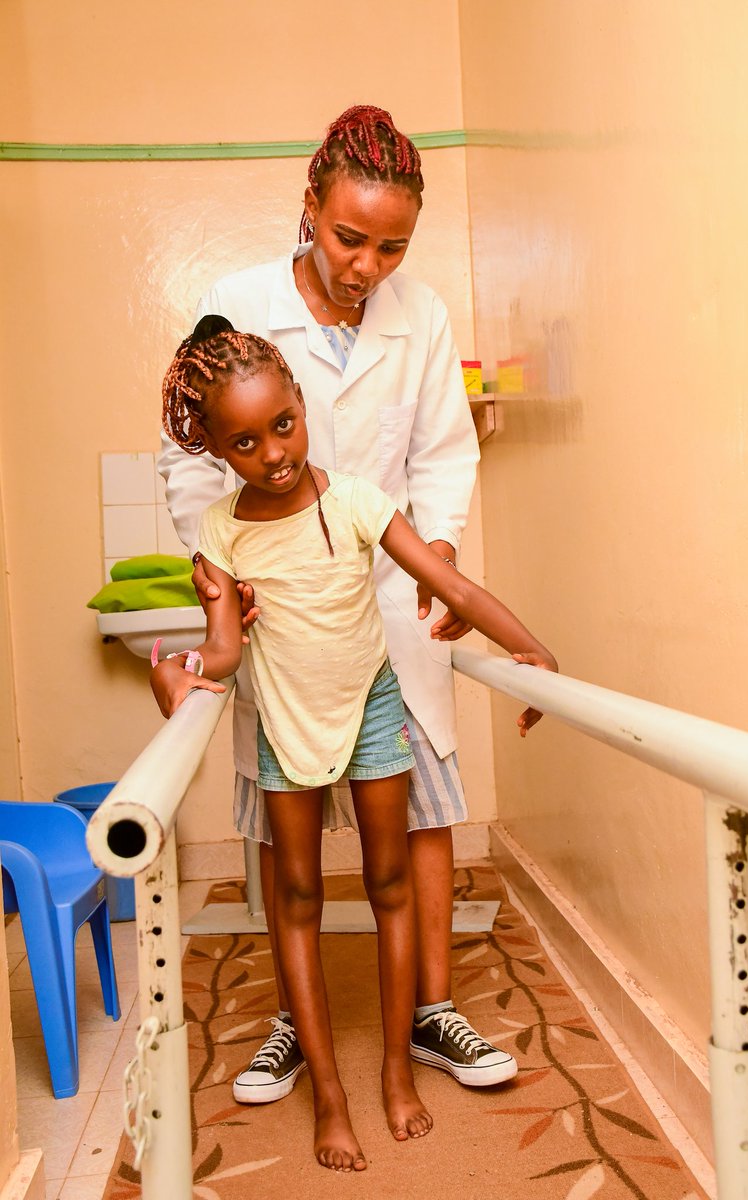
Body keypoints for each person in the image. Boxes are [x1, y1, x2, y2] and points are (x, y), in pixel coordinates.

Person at [157, 103, 517, 1106]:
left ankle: (431, 1010)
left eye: (391, 246)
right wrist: (216, 570)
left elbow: (444, 451)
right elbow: (189, 460)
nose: (366, 266)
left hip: (392, 599)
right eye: (348, 237)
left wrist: (435, 551)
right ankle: (290, 1019)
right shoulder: (235, 303)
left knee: (424, 814)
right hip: (280, 612)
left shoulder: (423, 315)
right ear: (308, 205)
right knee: (285, 828)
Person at [152, 318, 558, 1171]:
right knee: (295, 895)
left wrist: (531, 648)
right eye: (246, 442)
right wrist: (177, 675)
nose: (273, 453)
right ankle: (329, 1094)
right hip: (283, 719)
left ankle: (394, 1075)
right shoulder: (219, 539)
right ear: (221, 452)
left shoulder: (358, 502)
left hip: (373, 706)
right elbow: (223, 652)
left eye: (283, 425)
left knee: (388, 883)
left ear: (302, 403)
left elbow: (446, 580)